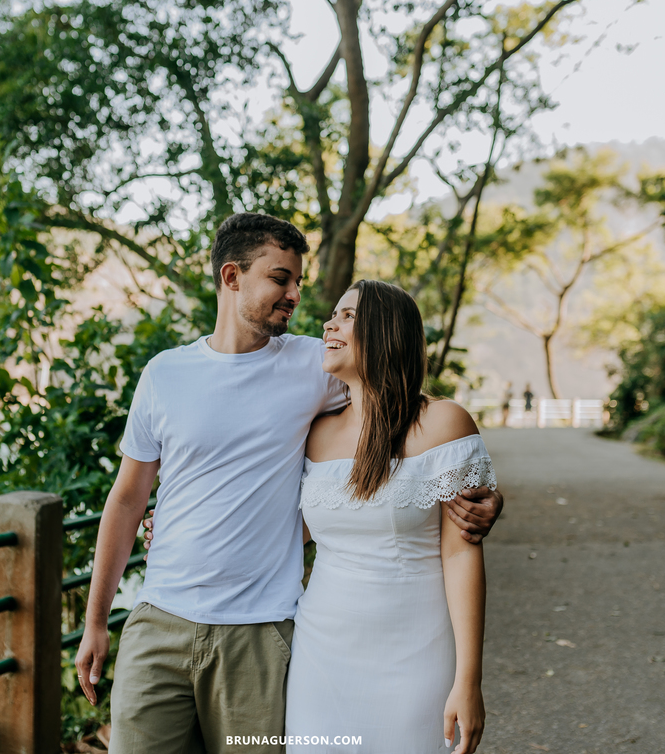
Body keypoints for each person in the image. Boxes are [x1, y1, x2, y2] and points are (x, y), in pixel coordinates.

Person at [73, 213, 500, 754]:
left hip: (266, 629)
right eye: (282, 279)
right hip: (169, 621)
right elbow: (129, 497)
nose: (299, 297)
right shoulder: (165, 374)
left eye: (299, 281)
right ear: (232, 277)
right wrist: (96, 621)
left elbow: (403, 425)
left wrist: (485, 495)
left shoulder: (313, 368)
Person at [283, 281, 490, 754]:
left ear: (387, 331)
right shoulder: (315, 433)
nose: (329, 324)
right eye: (332, 315)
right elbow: (285, 530)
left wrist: (469, 680)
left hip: (415, 651)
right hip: (321, 653)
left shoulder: (444, 425)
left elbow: (461, 553)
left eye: (348, 316)